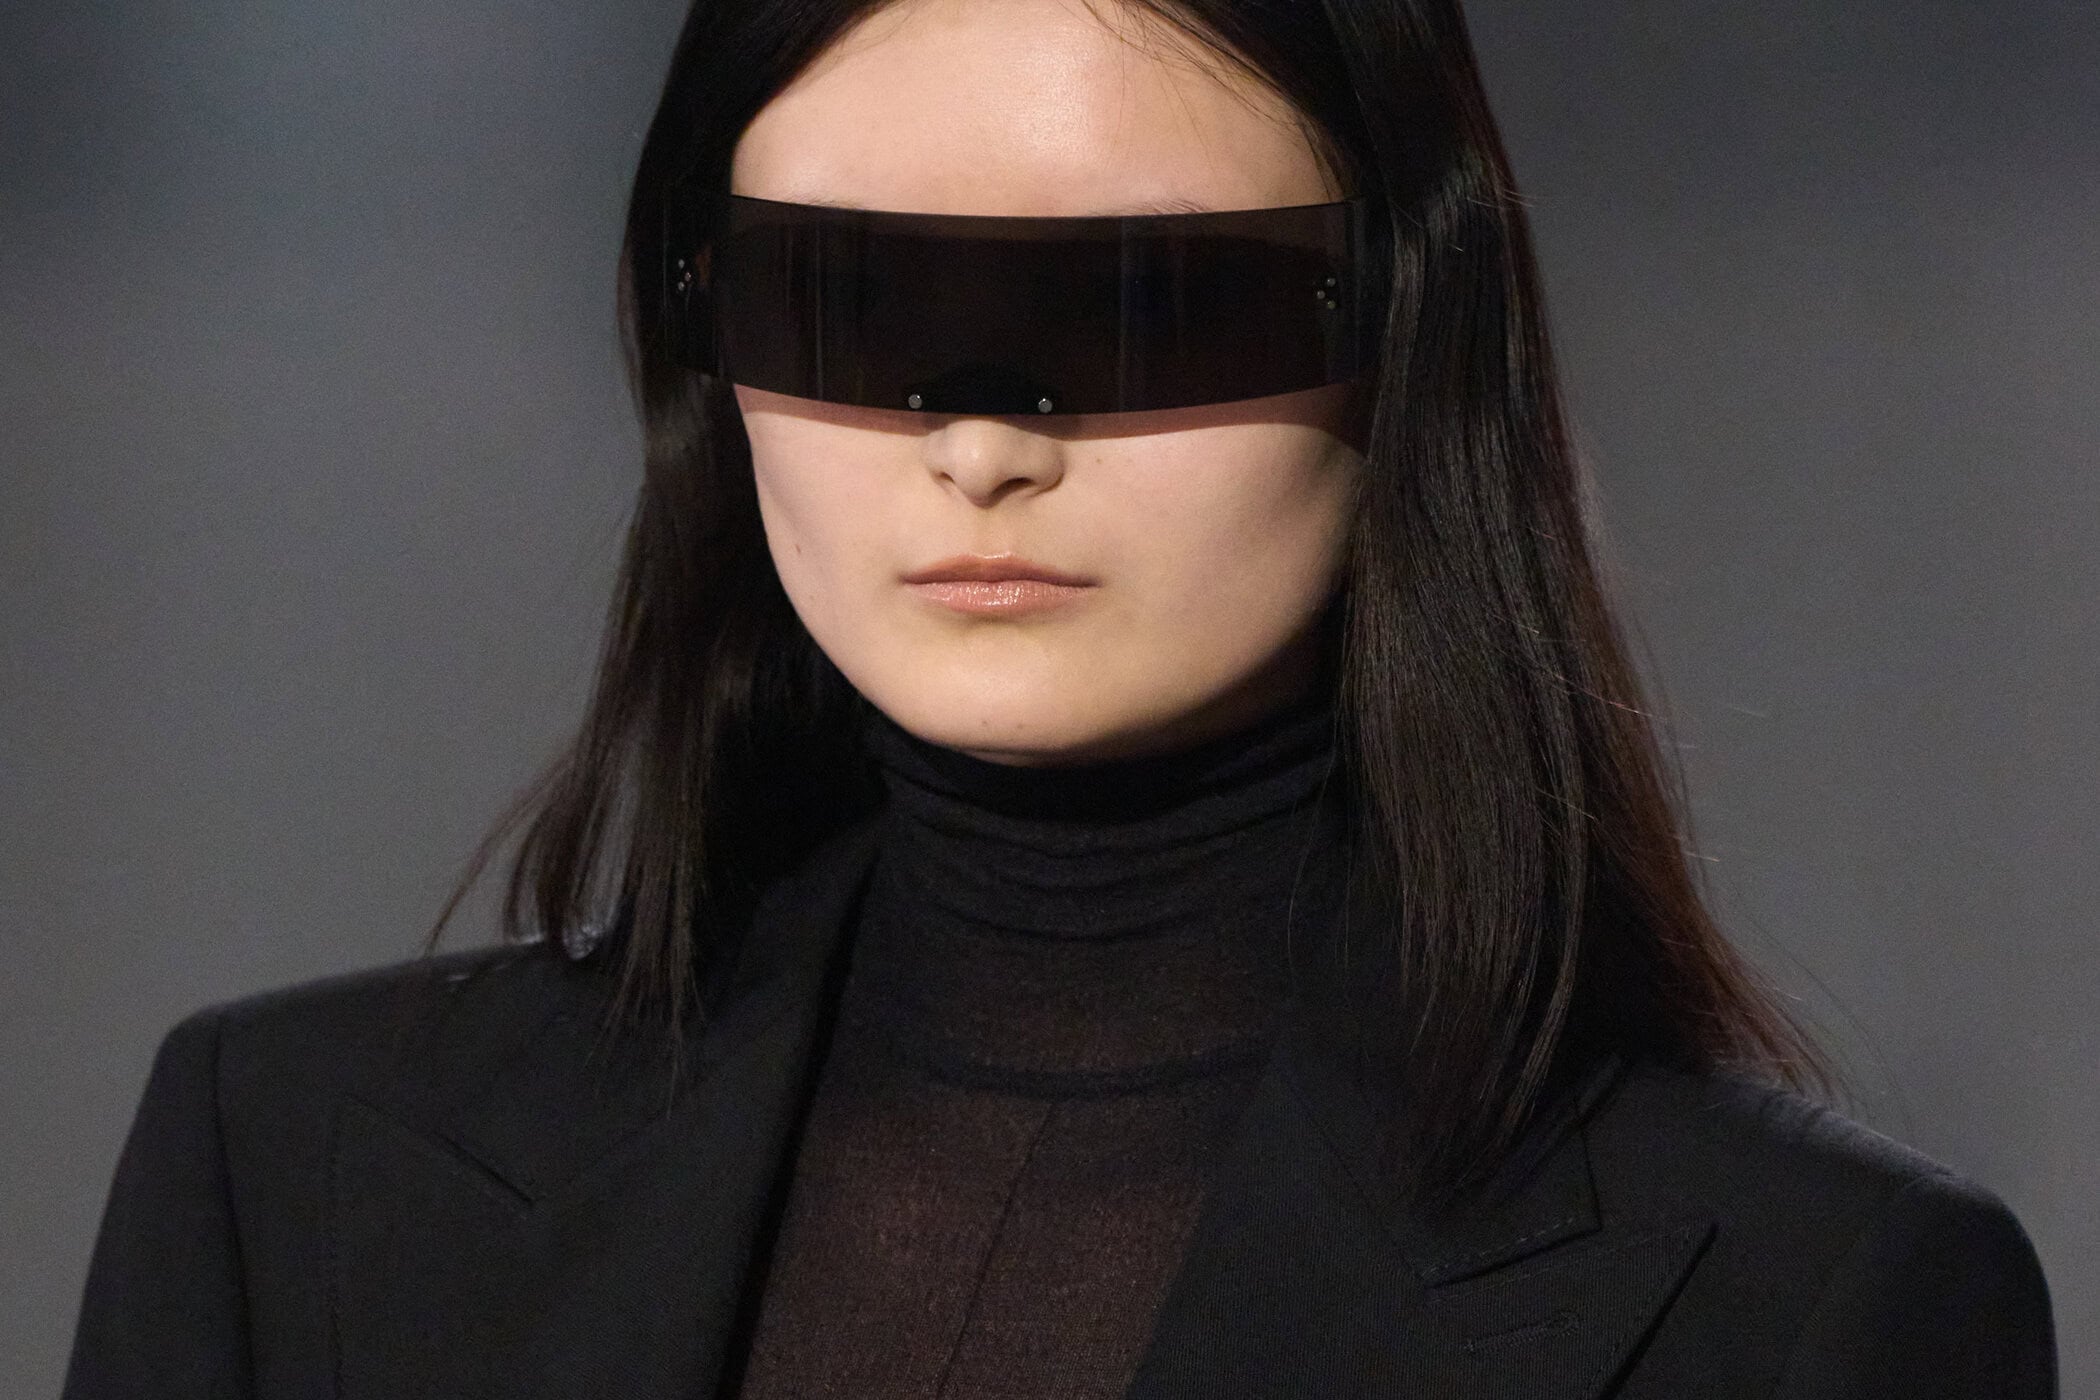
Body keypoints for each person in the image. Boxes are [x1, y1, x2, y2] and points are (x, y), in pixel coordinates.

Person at [62, 0, 2057, 1395]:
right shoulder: (288, 1175)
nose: (986, 448)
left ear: (1410, 339)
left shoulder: (1811, 1307)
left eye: (1141, 307)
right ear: (706, 350)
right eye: (847, 300)